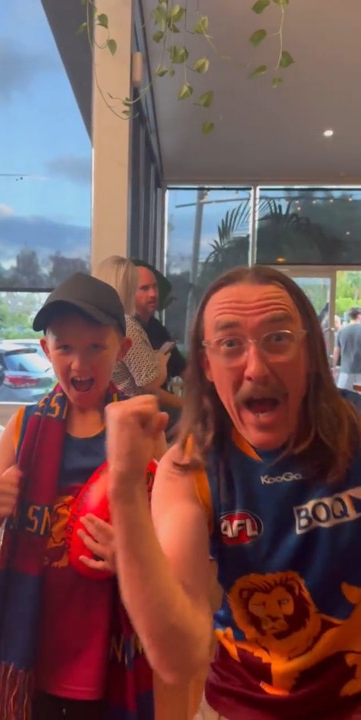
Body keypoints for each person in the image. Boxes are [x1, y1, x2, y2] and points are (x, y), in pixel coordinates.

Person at [105, 265, 361, 720]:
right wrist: (124, 491)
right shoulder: (190, 468)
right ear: (206, 364)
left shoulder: (356, 436)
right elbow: (178, 657)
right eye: (230, 344)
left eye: (278, 337)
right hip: (242, 708)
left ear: (311, 350)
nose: (255, 367)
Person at [0, 272, 161, 720]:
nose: (79, 362)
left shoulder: (139, 430)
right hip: (35, 633)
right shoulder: (25, 427)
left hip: (108, 631)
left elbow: (167, 536)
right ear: (46, 350)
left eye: (96, 346)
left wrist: (130, 553)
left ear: (122, 350)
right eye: (66, 347)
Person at [95, 256, 168, 397]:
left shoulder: (96, 323)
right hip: (129, 409)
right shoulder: (125, 326)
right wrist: (161, 362)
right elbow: (149, 382)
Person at [134, 264, 187, 427]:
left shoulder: (156, 327)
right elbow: (149, 389)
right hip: (142, 411)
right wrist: (188, 405)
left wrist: (208, 391)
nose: (153, 294)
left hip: (162, 407)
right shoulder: (129, 330)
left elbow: (182, 367)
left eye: (154, 287)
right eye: (144, 288)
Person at [334, 306, 361, 391]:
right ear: (359, 316)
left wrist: (334, 366)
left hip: (345, 372)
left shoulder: (341, 331)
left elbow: (336, 351)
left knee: (345, 398)